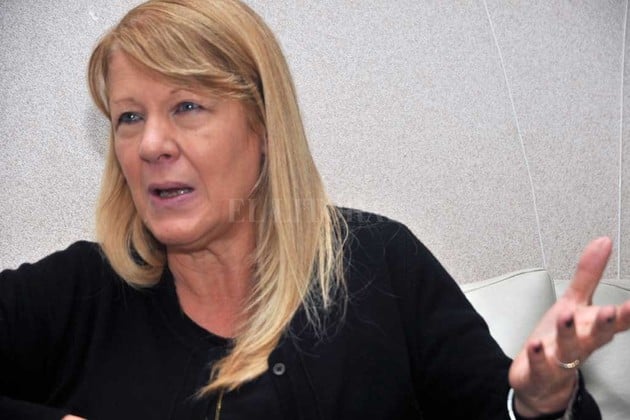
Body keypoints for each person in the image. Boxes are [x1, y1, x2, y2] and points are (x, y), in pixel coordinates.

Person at [1, 0, 629, 419]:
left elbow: (500, 407)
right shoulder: (77, 294)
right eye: (129, 117)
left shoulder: (380, 263)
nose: (151, 145)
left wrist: (542, 404)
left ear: (263, 125)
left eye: (187, 106)